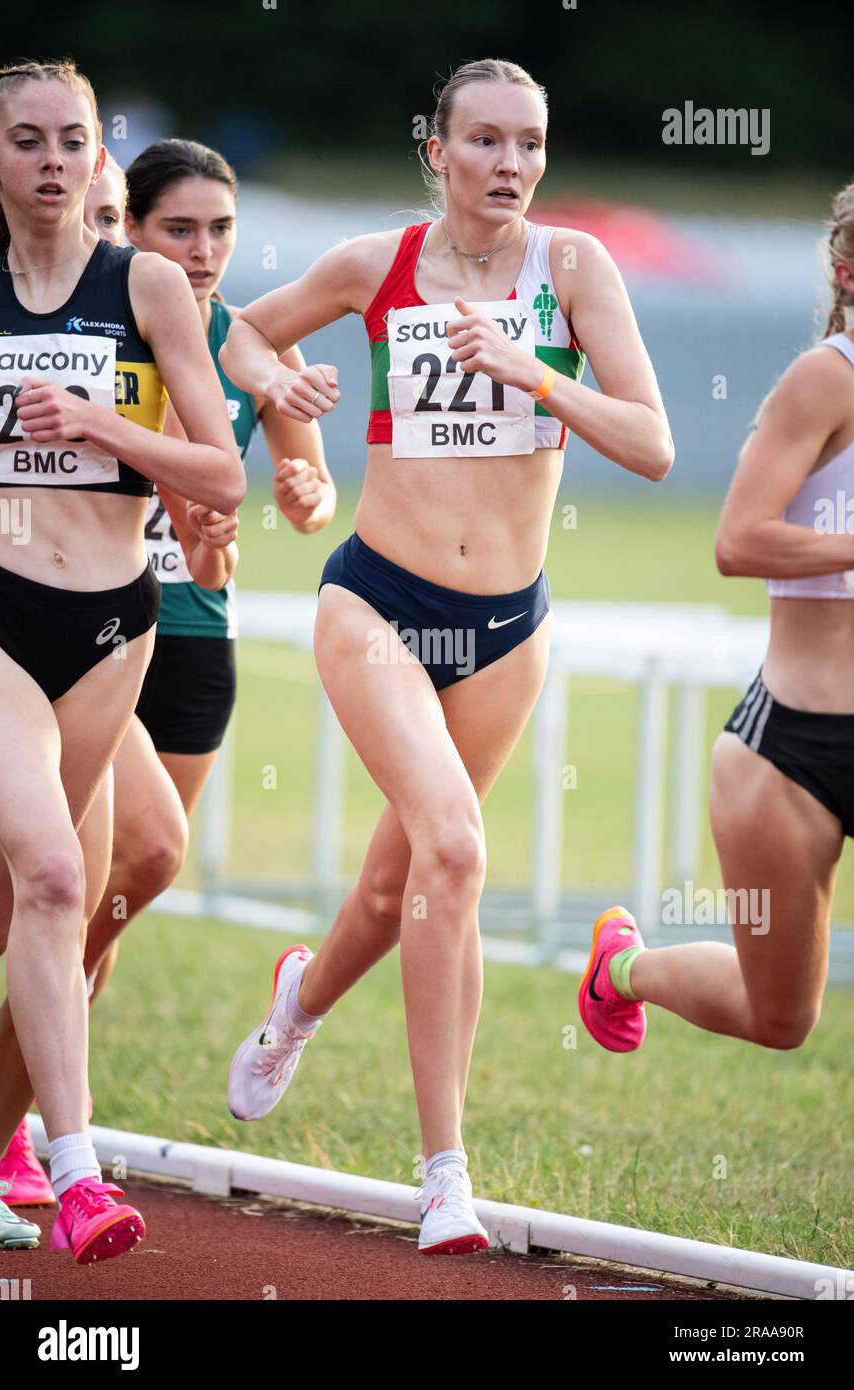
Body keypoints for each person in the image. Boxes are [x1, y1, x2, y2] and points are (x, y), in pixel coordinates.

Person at [219, 57, 673, 1256]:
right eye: (483, 142)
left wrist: (532, 373)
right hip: (376, 599)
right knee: (457, 852)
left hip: (507, 624)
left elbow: (654, 445)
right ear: (437, 149)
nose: (508, 166)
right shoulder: (377, 265)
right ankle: (444, 1175)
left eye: (528, 143)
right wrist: (290, 420)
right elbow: (233, 337)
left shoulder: (575, 271)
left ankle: (296, 1007)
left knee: (395, 886)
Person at [0, 138, 334, 1208]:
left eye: (221, 230)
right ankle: (44, 1136)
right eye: (175, 228)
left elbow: (278, 469)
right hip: (44, 621)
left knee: (104, 895)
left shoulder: (236, 338)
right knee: (86, 866)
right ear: (128, 228)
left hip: (175, 637)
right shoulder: (81, 307)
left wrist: (289, 487)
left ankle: (28, 1108)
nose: (201, 251)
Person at [0, 59, 245, 1263]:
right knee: (50, 874)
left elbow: (220, 471)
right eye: (26, 139)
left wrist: (96, 424)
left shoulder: (143, 282)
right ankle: (80, 1173)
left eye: (71, 141)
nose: (50, 160)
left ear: (100, 161)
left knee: (23, 913)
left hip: (115, 628)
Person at [579, 181, 854, 1062]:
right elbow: (738, 540)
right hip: (794, 753)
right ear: (847, 272)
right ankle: (624, 972)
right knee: (782, 1020)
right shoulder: (826, 379)